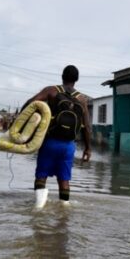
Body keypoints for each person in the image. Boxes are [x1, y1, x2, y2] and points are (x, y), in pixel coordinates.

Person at [22, 65, 92, 208]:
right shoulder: (82, 99)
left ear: (62, 76)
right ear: (76, 80)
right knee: (64, 179)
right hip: (68, 146)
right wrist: (88, 149)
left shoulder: (51, 91)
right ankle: (64, 210)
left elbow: (31, 103)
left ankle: (39, 208)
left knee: (41, 176)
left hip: (49, 142)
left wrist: (20, 126)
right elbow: (87, 127)